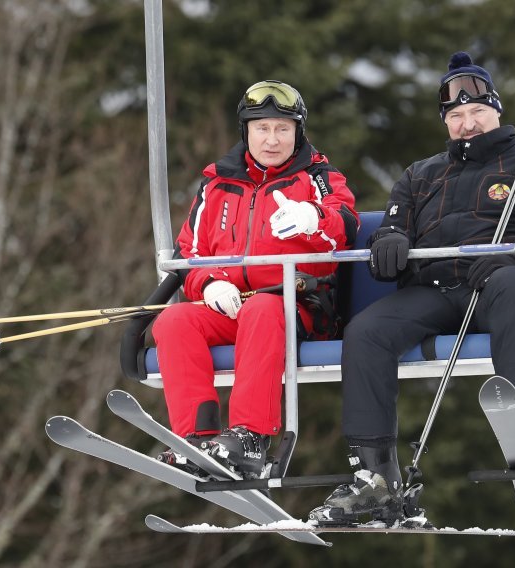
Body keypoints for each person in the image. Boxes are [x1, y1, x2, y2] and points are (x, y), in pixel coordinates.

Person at [310, 52, 515, 525]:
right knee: (367, 332)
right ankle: (373, 478)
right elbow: (390, 231)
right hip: (437, 288)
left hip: (506, 284)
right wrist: (390, 243)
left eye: (477, 112)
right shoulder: (420, 175)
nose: (467, 124)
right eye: (456, 116)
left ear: (497, 112)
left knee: (511, 287)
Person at [152, 80, 359, 479]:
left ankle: (250, 437)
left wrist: (312, 218)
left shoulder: (316, 177)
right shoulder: (217, 184)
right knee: (174, 321)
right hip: (229, 304)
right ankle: (197, 437)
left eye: (283, 129)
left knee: (263, 308)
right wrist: (210, 283)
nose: (272, 139)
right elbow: (189, 253)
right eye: (262, 128)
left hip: (295, 306)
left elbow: (344, 228)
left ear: (298, 132)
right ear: (245, 131)